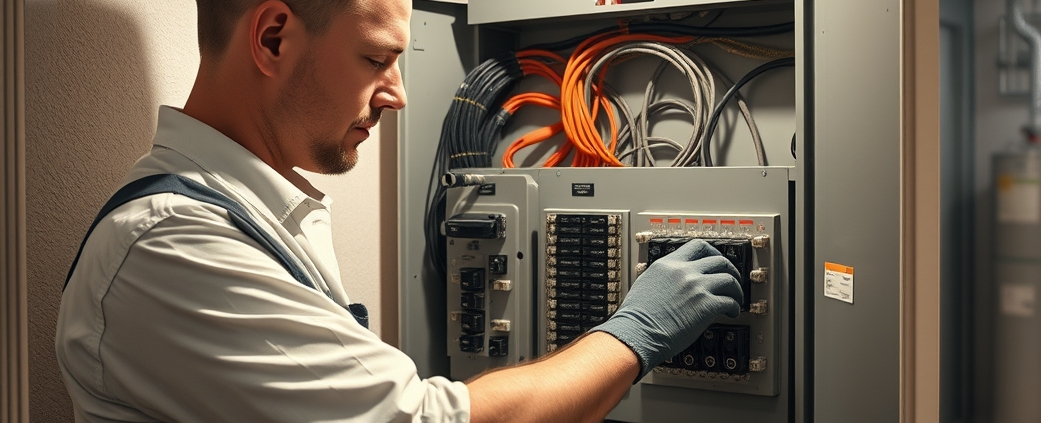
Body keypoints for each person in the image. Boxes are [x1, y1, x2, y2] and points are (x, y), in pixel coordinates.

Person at [55, 0, 744, 421]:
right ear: (272, 38)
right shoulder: (172, 249)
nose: (400, 94)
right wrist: (635, 331)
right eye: (376, 58)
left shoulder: (253, 216)